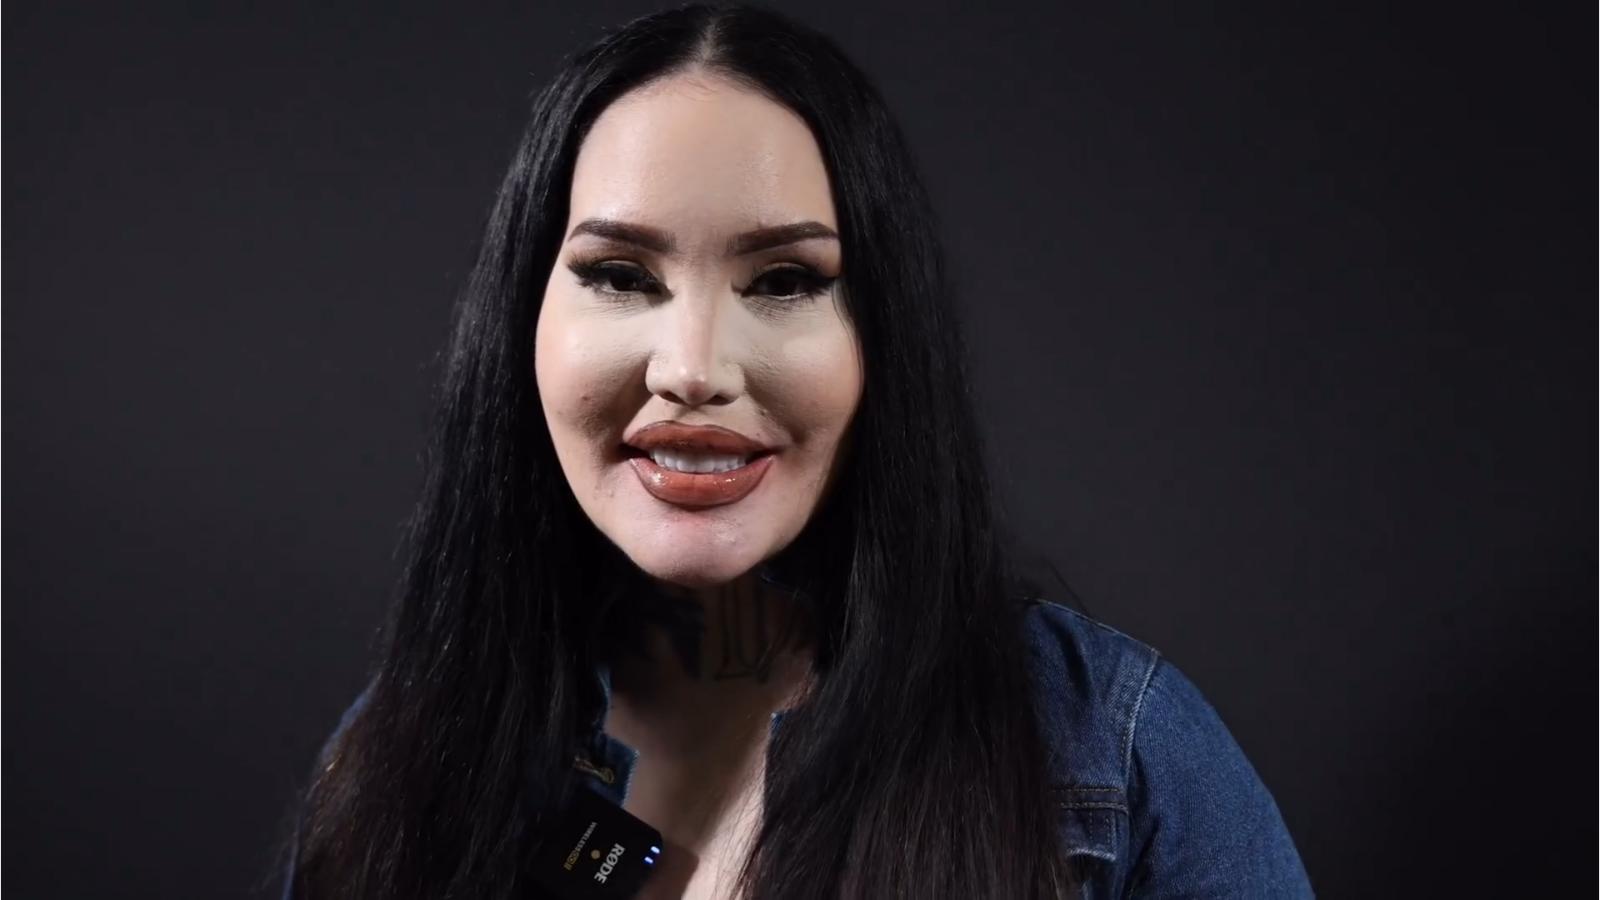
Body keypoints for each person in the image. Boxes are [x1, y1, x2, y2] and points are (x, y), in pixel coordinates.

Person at [281, 4, 1313, 898]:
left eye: (782, 282)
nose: (691, 367)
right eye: (620, 275)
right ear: (523, 319)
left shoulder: (1117, 754)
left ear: (881, 338)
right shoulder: (401, 753)